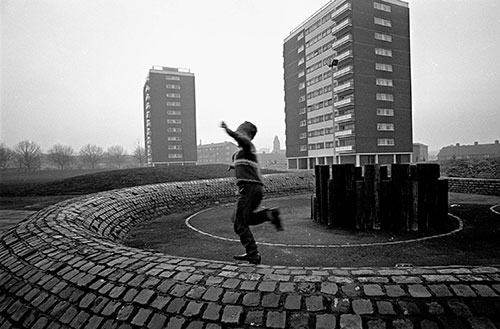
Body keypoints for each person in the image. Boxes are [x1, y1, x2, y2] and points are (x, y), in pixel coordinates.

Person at [220, 121, 283, 264]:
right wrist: (233, 166)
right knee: (242, 219)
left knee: (239, 223)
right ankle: (268, 215)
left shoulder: (248, 147)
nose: (237, 137)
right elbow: (246, 165)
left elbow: (241, 139)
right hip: (253, 189)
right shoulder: (242, 153)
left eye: (240, 133)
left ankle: (253, 254)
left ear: (247, 136)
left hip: (249, 189)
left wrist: (228, 130)